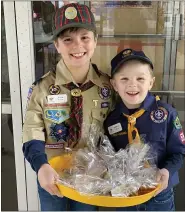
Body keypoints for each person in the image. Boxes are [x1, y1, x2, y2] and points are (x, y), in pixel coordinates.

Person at [22, 3, 113, 211]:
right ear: (57, 45)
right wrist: (41, 165)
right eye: (67, 39)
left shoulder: (108, 87)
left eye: (84, 38)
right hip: (53, 175)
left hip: (91, 177)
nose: (77, 46)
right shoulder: (43, 88)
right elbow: (32, 131)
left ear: (95, 41)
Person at [104, 48, 185, 211]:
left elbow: (179, 151)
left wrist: (167, 171)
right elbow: (110, 156)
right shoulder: (111, 119)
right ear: (114, 84)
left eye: (140, 78)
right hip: (126, 193)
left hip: (159, 192)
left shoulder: (166, 113)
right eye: (124, 79)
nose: (132, 84)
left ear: (151, 82)